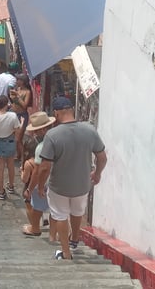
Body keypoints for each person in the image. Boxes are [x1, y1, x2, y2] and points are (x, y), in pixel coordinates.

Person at [36, 97, 108, 261]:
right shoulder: (90, 130)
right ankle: (74, 239)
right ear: (72, 110)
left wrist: (40, 186)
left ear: (56, 113)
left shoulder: (52, 135)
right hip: (82, 184)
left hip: (59, 186)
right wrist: (97, 174)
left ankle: (65, 252)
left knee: (60, 215)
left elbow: (45, 167)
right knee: (77, 212)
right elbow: (102, 157)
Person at [21, 114, 55, 237]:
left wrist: (31, 189)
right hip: (57, 182)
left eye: (36, 131)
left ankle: (35, 228)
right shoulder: (58, 141)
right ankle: (53, 234)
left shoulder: (41, 147)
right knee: (56, 211)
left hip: (44, 183)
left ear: (42, 129)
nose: (34, 134)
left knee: (37, 207)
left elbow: (38, 171)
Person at [9, 74, 33, 162]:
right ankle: (19, 155)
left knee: (18, 139)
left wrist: (17, 96)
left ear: (22, 81)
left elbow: (24, 106)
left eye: (18, 80)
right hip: (14, 114)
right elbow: (14, 103)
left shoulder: (27, 92)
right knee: (15, 138)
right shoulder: (17, 89)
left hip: (22, 116)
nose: (16, 81)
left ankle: (24, 158)